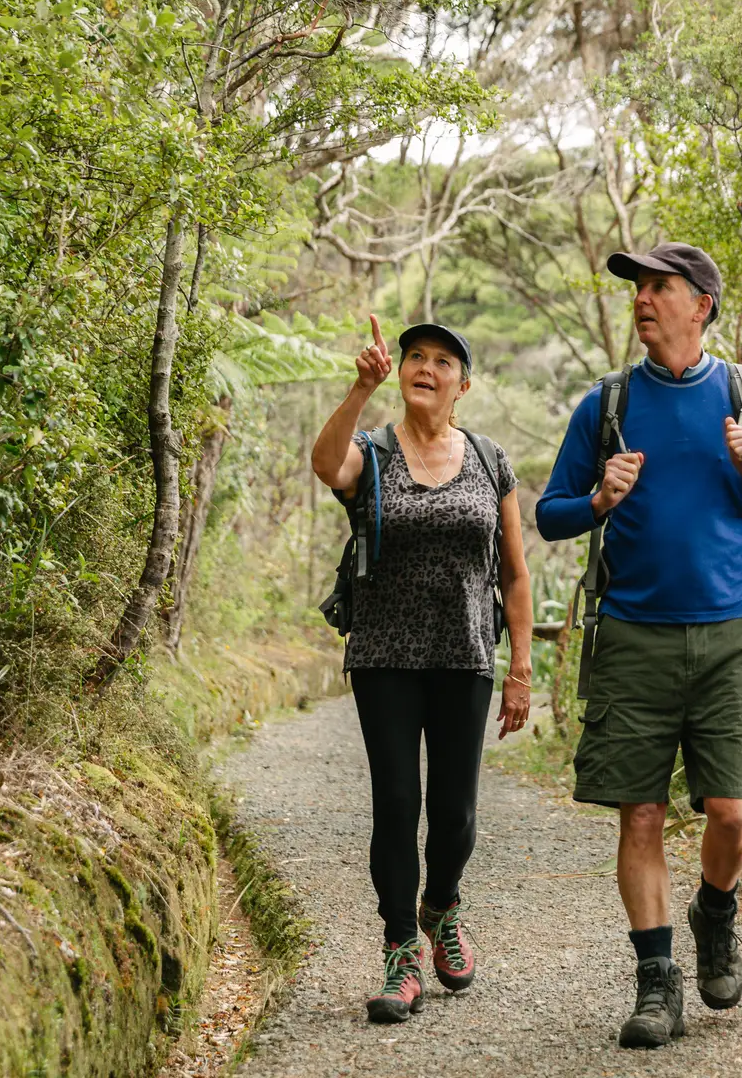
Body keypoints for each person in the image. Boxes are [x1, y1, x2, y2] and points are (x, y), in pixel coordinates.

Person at [535, 243, 742, 1048]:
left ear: (702, 304)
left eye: (660, 287)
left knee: (734, 812)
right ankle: (657, 982)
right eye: (637, 289)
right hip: (632, 634)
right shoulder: (609, 403)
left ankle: (716, 910)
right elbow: (550, 514)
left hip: (732, 634)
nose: (643, 300)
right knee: (641, 815)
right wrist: (598, 497)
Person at [310, 315, 534, 1025]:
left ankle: (441, 905)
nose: (425, 367)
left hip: (466, 653)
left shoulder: (491, 459)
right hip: (384, 654)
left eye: (442, 361)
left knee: (456, 814)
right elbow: (324, 465)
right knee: (397, 804)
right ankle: (401, 948)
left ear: (463, 384)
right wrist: (359, 388)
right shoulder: (372, 451)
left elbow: (516, 576)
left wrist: (521, 666)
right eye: (414, 357)